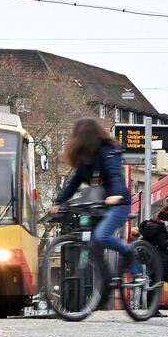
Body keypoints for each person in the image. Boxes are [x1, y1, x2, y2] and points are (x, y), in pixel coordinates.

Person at [51, 118, 133, 275]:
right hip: (99, 206)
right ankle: (105, 282)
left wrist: (115, 195)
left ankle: (128, 251)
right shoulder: (84, 162)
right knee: (93, 243)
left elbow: (114, 174)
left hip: (119, 203)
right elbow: (73, 184)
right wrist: (58, 202)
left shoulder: (108, 151)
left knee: (102, 236)